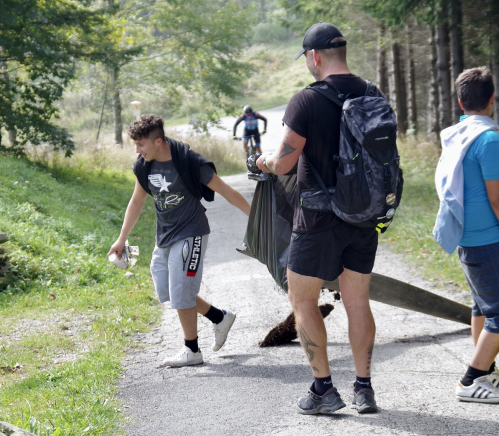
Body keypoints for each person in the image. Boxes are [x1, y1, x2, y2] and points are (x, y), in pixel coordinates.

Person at [256, 22, 380, 415]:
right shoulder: (372, 94)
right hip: (363, 214)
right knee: (357, 301)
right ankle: (364, 389)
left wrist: (262, 161)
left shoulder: (306, 101)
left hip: (317, 217)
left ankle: (323, 388)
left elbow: (285, 162)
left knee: (303, 300)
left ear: (314, 57)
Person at [109, 114, 251, 367]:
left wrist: (255, 219)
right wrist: (122, 239)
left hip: (192, 231)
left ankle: (192, 350)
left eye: (141, 144)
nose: (138, 150)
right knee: (169, 289)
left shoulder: (190, 163)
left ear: (159, 141)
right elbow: (137, 201)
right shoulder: (144, 166)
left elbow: (226, 190)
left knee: (181, 291)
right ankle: (219, 317)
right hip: (165, 235)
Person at [436, 67, 499, 403]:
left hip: (469, 238)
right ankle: (471, 379)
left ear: (461, 102)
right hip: (490, 240)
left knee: (483, 307)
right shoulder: (490, 139)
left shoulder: (457, 135)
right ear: (492, 99)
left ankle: (486, 370)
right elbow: (497, 198)